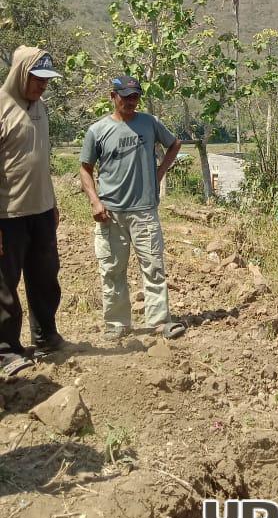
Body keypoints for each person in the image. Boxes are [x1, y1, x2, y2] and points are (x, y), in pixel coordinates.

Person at [79, 74, 186, 341]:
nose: (130, 101)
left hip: (144, 210)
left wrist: (158, 174)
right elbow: (85, 168)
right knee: (112, 269)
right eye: (124, 96)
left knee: (153, 266)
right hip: (110, 214)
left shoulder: (149, 123)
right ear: (112, 97)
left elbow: (174, 144)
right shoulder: (97, 131)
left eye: (134, 96)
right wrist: (94, 200)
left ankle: (160, 322)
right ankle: (117, 323)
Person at [0, 47, 65, 374]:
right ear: (20, 74)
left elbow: (41, 161)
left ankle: (45, 336)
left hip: (40, 210)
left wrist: (51, 202)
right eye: (37, 80)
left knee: (45, 277)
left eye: (46, 82)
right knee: (4, 286)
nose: (43, 87)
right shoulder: (1, 107)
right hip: (6, 215)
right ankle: (6, 350)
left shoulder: (41, 108)